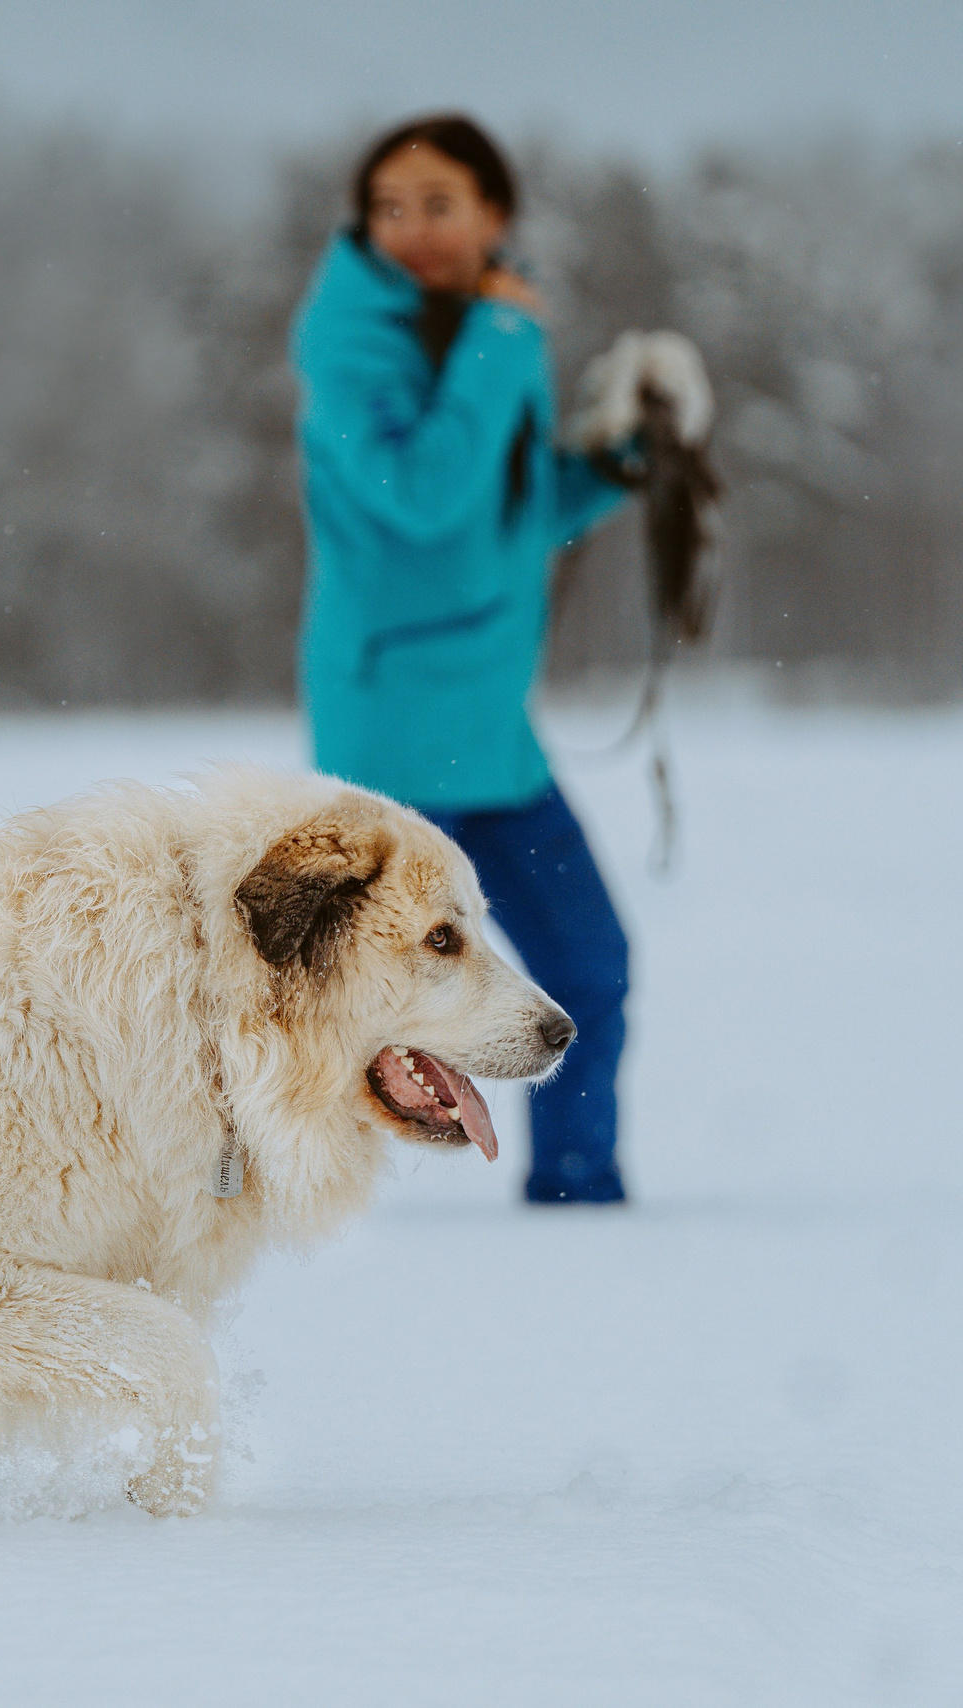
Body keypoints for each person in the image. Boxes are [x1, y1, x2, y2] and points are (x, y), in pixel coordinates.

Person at [289, 112, 710, 1205]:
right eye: (389, 207)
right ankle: (263, 1194)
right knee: (315, 998)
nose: (413, 228)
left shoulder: (481, 327)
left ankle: (577, 1194)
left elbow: (500, 519)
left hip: (490, 732)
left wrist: (624, 457)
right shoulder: (352, 344)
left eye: (439, 204)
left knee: (588, 967)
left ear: (494, 213)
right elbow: (423, 497)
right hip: (390, 738)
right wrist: (503, 338)